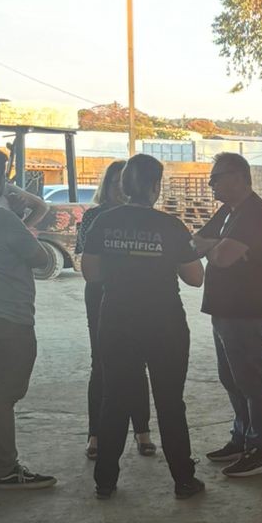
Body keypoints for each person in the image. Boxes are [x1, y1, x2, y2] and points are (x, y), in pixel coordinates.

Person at [79, 154, 205, 501]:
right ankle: (183, 480)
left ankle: (105, 480)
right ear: (155, 186)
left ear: (122, 185)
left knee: (115, 398)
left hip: (117, 319)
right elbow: (195, 278)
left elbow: (91, 273)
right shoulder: (170, 225)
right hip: (164, 323)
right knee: (169, 401)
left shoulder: (103, 222)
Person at [0, 144, 56, 489]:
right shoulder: (0, 217)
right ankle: (6, 468)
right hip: (6, 317)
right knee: (2, 395)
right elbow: (41, 260)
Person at [192, 152, 262, 479]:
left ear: (240, 178)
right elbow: (196, 243)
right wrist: (215, 246)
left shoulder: (254, 213)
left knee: (250, 379)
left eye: (217, 177)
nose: (211, 183)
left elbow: (221, 257)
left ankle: (261, 450)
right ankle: (242, 437)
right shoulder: (229, 212)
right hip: (224, 309)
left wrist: (213, 247)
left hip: (246, 311)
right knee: (231, 377)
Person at [76, 159, 156, 460]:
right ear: (108, 186)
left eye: (127, 183)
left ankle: (142, 431)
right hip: (101, 295)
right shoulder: (94, 217)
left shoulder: (148, 217)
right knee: (102, 363)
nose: (122, 190)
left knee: (138, 363)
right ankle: (95, 434)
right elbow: (86, 263)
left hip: (140, 297)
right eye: (116, 183)